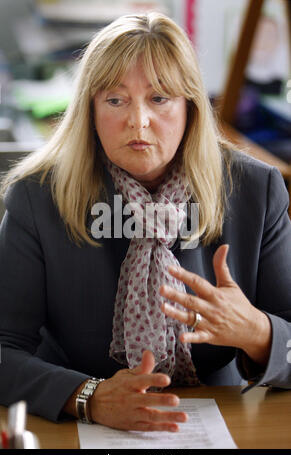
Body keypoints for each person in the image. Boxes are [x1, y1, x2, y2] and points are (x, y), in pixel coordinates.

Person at [0, 12, 291, 433]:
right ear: (90, 110)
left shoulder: (254, 190)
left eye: (159, 99)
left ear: (190, 106)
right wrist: (88, 397)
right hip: (78, 421)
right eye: (115, 100)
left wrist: (258, 333)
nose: (138, 122)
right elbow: (4, 349)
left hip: (222, 419)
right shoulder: (37, 195)